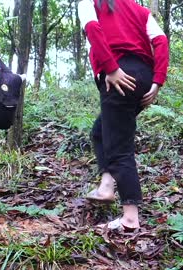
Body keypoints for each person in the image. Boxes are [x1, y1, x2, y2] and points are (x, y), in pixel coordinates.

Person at [77, 0, 169, 230]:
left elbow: (92, 29)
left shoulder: (89, 3)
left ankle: (130, 218)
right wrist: (157, 80)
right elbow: (161, 40)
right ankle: (106, 186)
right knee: (100, 132)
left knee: (119, 148)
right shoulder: (138, 9)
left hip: (119, 75)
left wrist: (111, 68)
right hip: (143, 77)